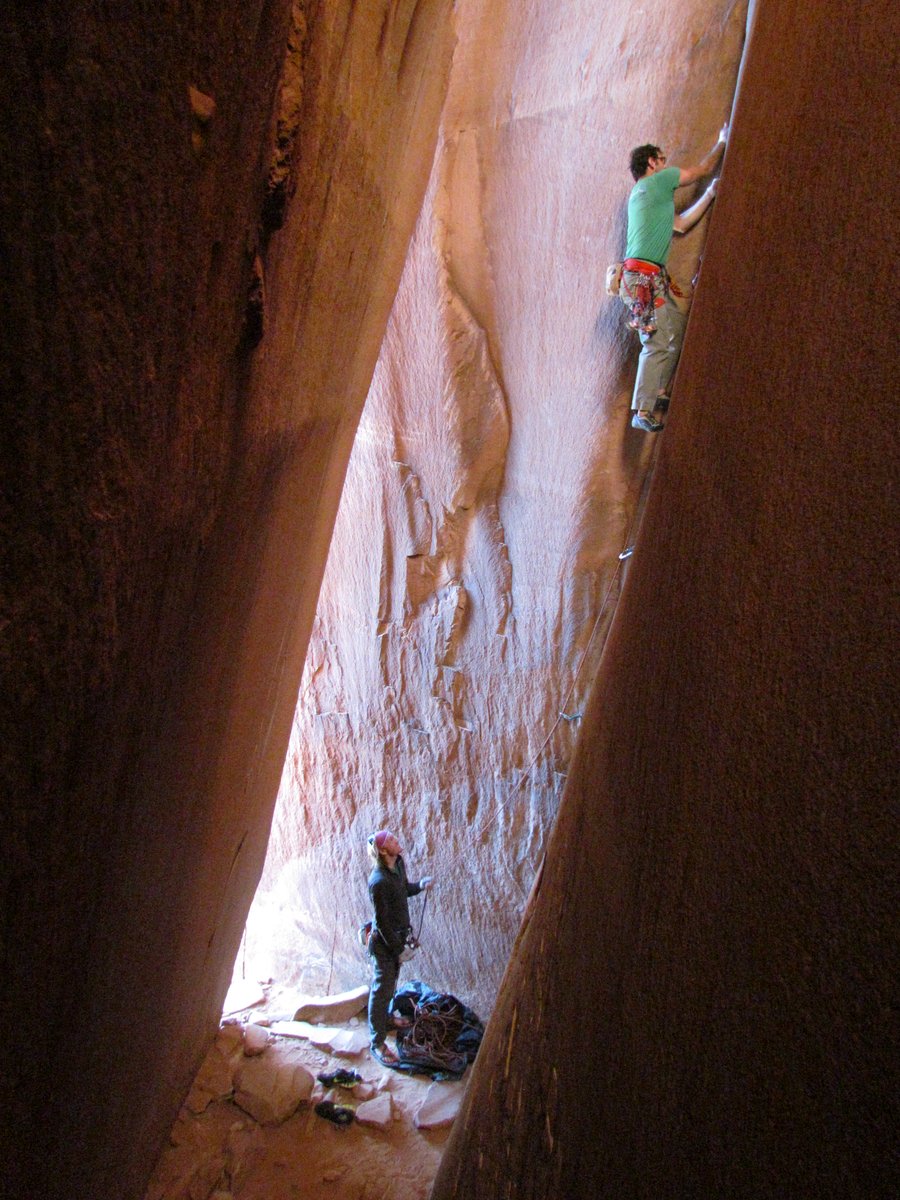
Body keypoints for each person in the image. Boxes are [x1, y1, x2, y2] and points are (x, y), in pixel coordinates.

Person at [622, 124, 728, 432]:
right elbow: (702, 169)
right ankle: (642, 410)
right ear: (652, 163)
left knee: (675, 329)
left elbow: (679, 224)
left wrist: (709, 195)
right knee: (656, 342)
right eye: (662, 159)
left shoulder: (642, 197)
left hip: (643, 279)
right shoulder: (656, 182)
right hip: (643, 280)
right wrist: (721, 141)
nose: (666, 164)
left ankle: (657, 392)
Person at [365, 829, 432, 1065]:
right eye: (392, 840)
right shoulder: (378, 881)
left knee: (391, 984)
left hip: (397, 938)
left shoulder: (397, 866)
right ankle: (377, 1042)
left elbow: (403, 889)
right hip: (385, 944)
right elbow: (382, 922)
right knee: (382, 989)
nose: (397, 840)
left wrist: (420, 886)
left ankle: (385, 1020)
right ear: (383, 851)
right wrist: (397, 950)